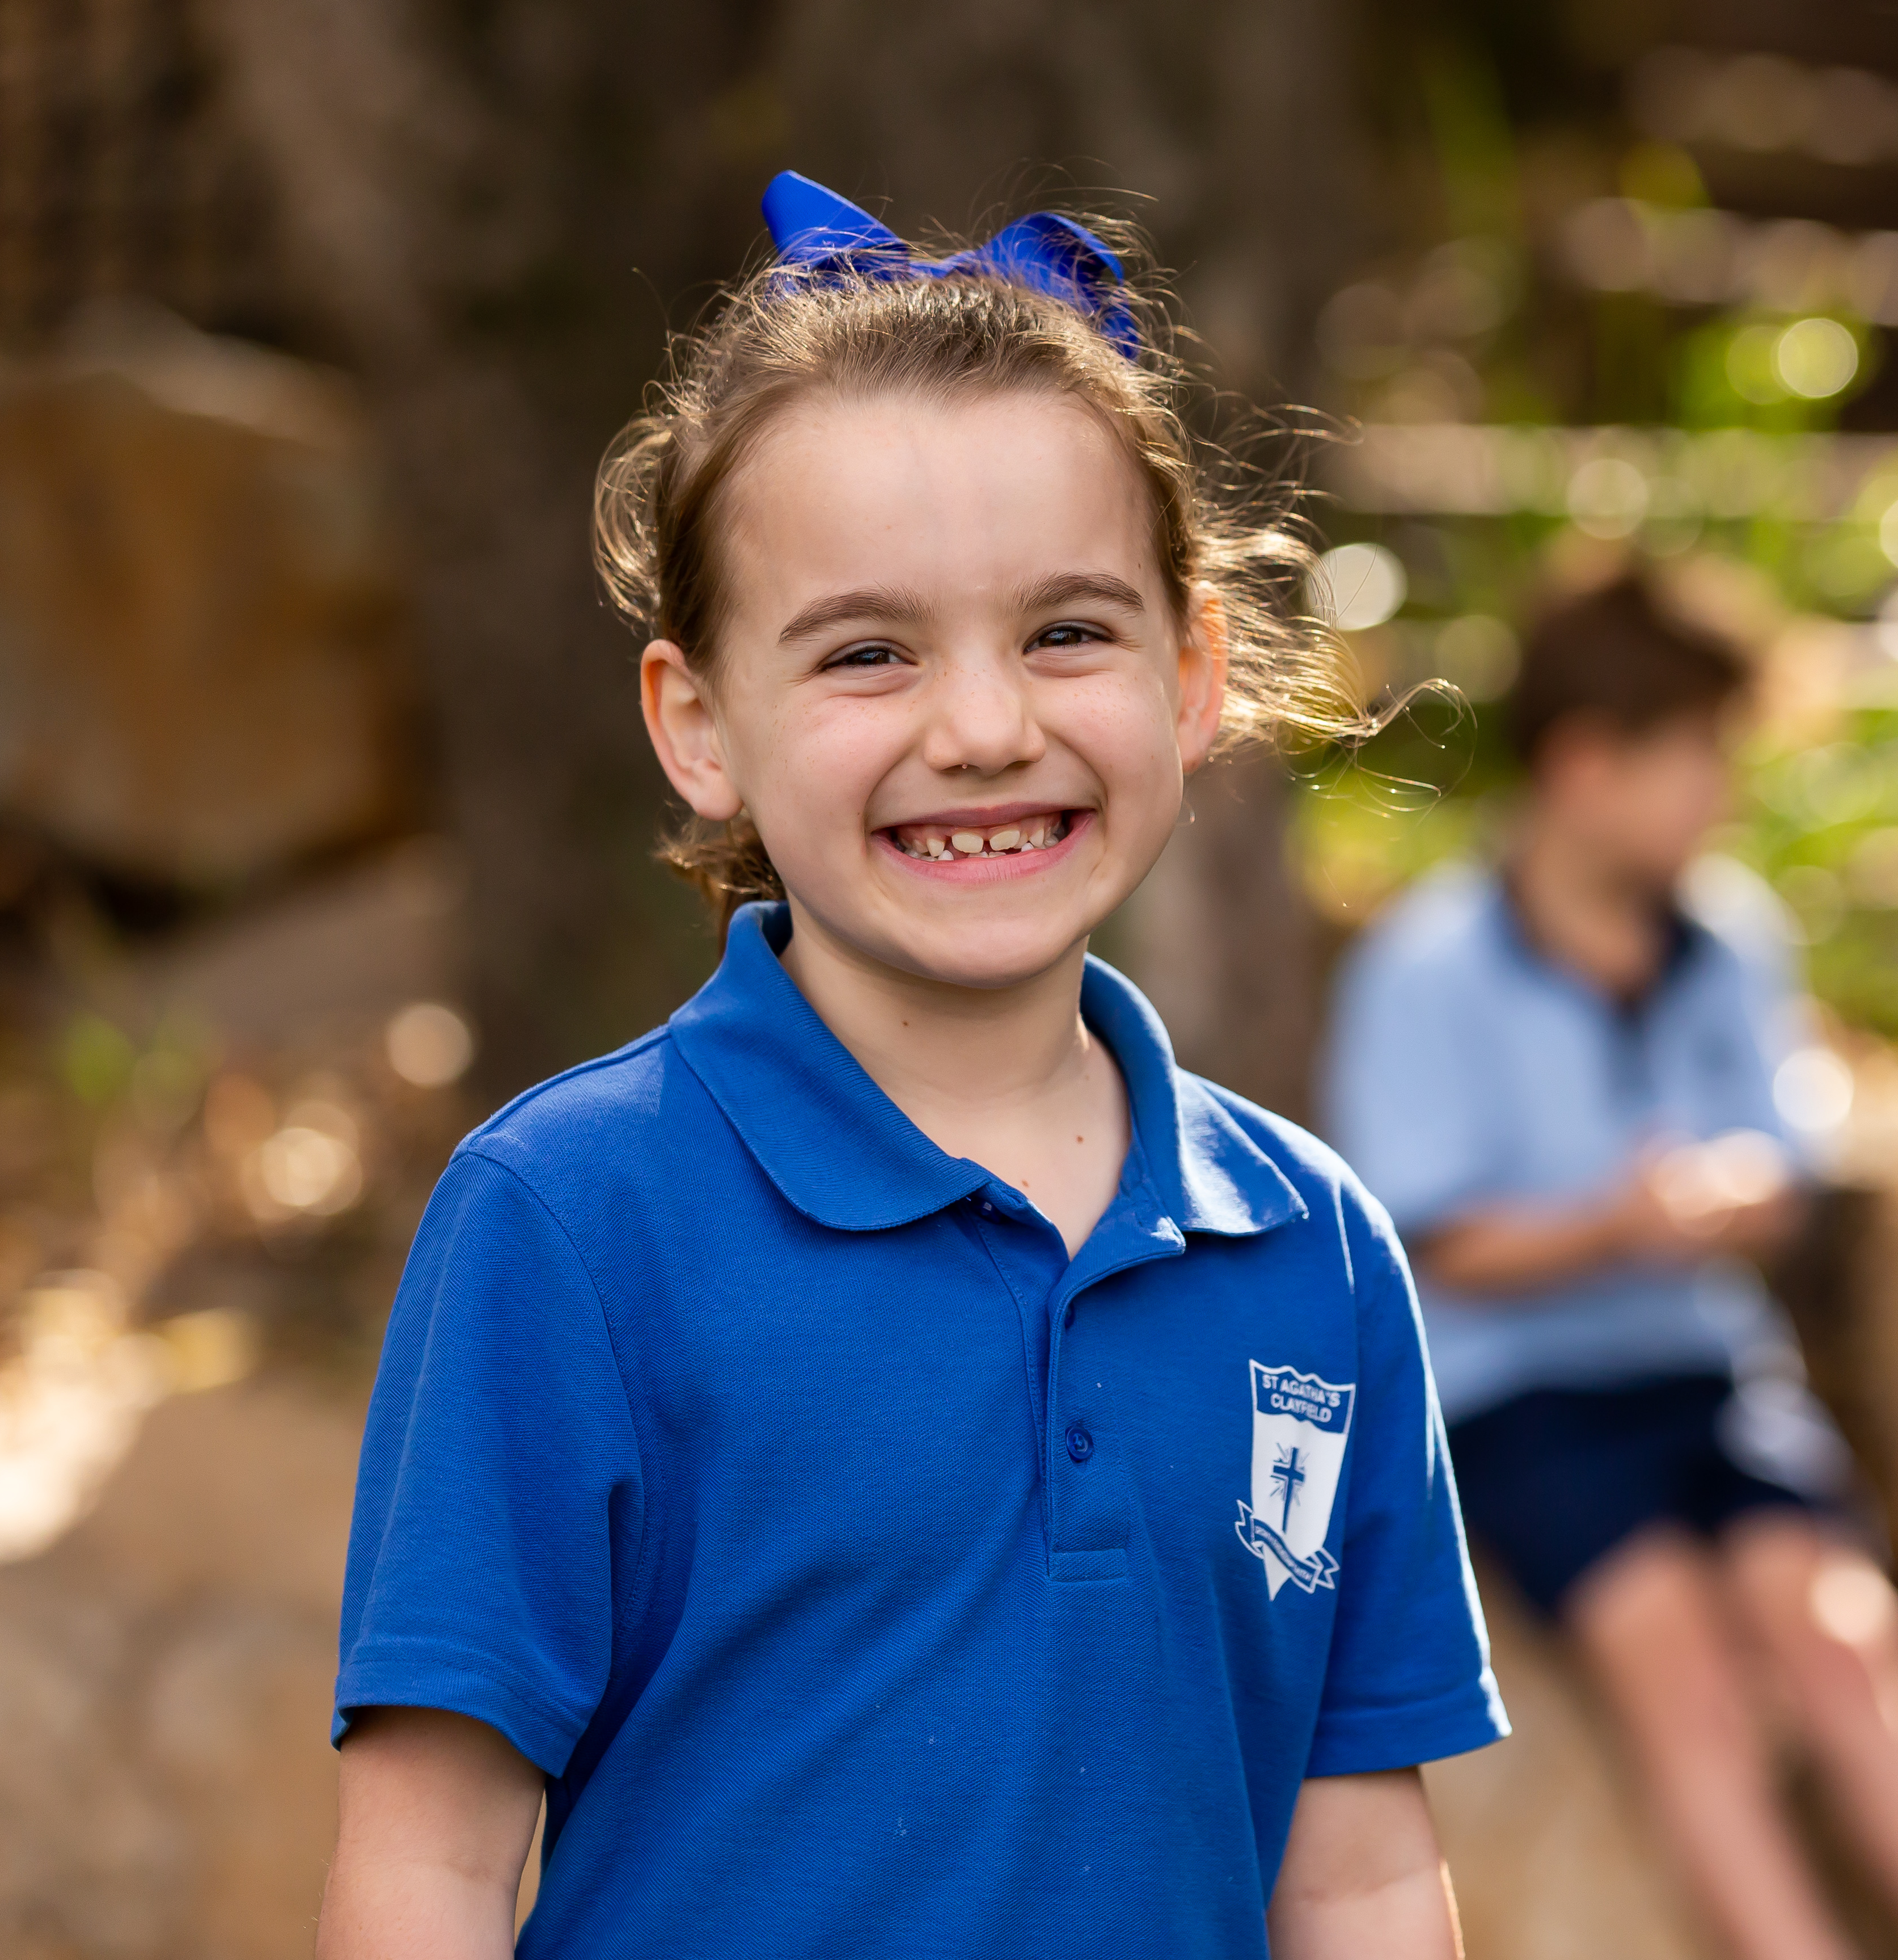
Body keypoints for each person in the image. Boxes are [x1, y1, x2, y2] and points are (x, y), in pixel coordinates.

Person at [315, 173, 1506, 1960]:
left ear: (1193, 677)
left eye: (1069, 632)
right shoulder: (566, 1224)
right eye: (868, 652)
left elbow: (1359, 1874)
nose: (983, 727)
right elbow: (428, 1875)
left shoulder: (1313, 1250)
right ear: (698, 723)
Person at [1325, 569, 1898, 1960]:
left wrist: (1730, 1206)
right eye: (1702, 755)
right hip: (1520, 1399)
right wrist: (1615, 1224)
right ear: (1589, 760)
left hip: (1704, 1370)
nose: (1726, 792)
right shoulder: (1429, 971)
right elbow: (1430, 1245)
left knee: (1843, 1636)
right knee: (1681, 1668)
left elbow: (1782, 1169)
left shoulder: (1729, 942)